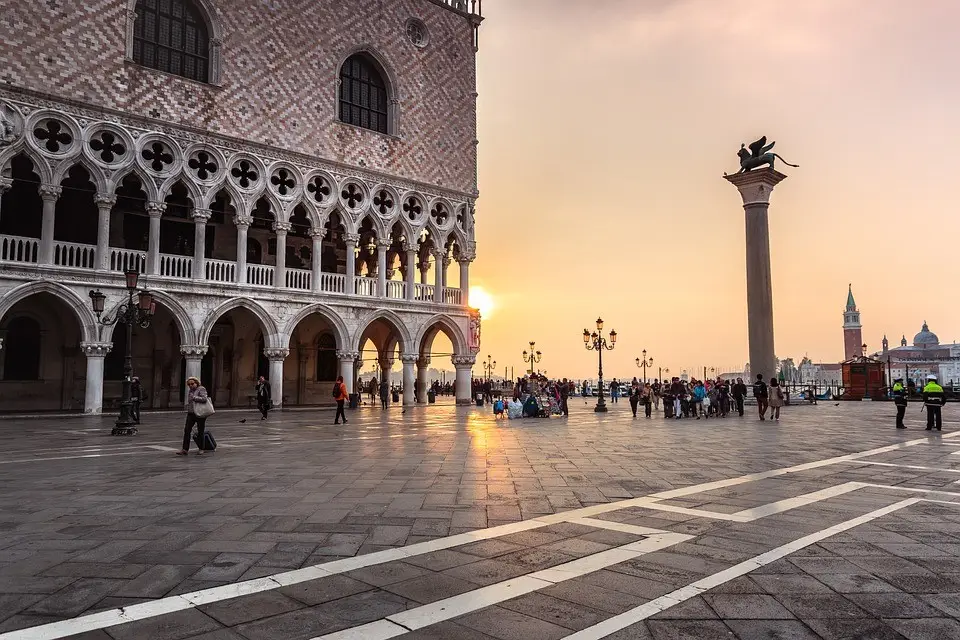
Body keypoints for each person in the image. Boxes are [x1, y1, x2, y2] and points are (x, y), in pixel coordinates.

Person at [178, 377, 209, 456]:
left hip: (200, 413)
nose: (190, 386)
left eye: (192, 384)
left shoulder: (201, 389)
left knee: (200, 431)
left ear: (196, 383)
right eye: (189, 384)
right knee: (187, 430)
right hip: (191, 413)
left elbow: (204, 399)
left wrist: (194, 397)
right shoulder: (190, 391)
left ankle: (201, 448)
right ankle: (185, 449)